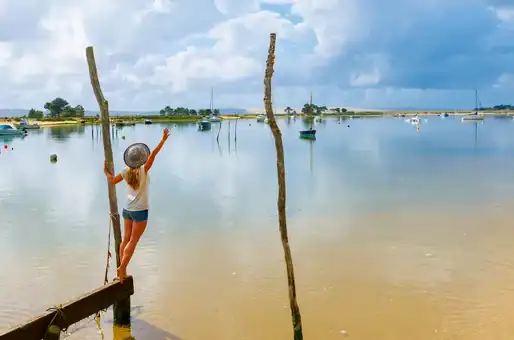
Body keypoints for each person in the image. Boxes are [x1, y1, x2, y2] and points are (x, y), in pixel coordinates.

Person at [103, 128, 170, 282]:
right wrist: (163, 140)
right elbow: (153, 154)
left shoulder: (126, 171)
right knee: (133, 241)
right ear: (142, 158)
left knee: (126, 239)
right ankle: (122, 268)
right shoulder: (144, 169)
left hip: (127, 209)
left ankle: (122, 269)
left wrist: (105, 171)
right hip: (140, 211)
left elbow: (112, 180)